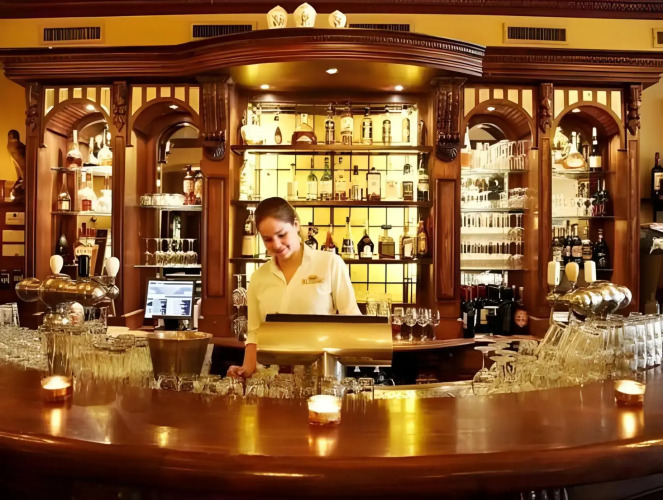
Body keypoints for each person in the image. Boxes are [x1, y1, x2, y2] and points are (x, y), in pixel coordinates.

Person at [227, 197, 361, 378]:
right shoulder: (258, 277)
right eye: (267, 239)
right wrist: (245, 370)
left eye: (282, 235)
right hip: (275, 380)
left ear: (296, 225)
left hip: (321, 377)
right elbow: (255, 334)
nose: (276, 244)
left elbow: (352, 320)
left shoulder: (330, 263)